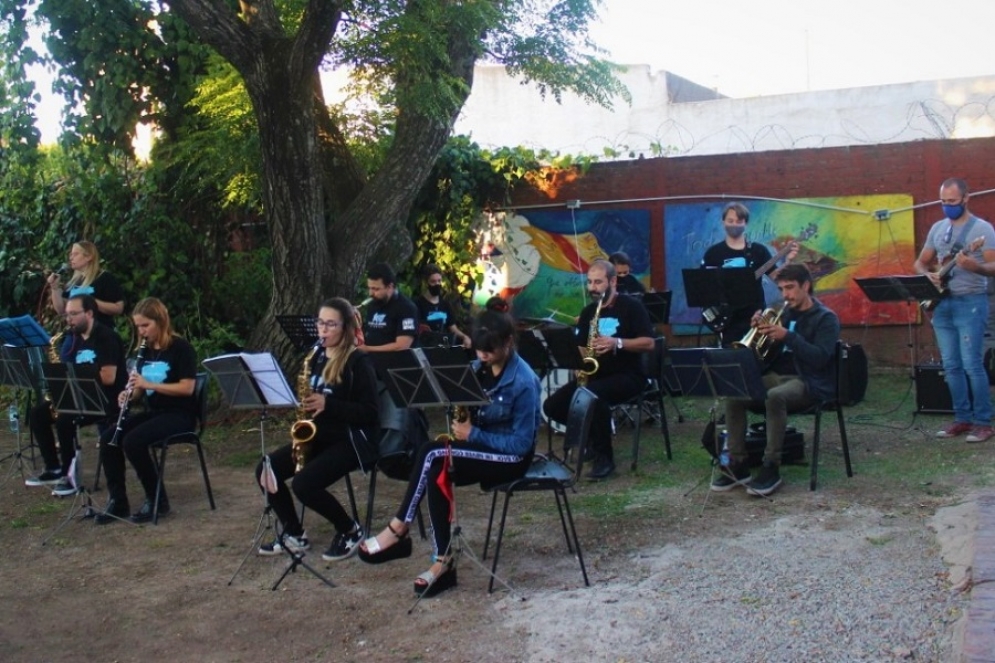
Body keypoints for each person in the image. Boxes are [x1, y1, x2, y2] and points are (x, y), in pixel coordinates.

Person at [357, 307, 541, 597]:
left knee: (432, 453)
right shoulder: (479, 368)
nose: (482, 357)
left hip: (512, 458)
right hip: (484, 448)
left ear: (508, 343)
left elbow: (522, 444)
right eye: (479, 351)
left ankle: (399, 528)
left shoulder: (524, 381)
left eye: (489, 352)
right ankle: (442, 562)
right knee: (435, 466)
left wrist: (473, 433)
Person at [254, 298, 380, 560]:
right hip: (319, 434)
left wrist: (329, 404)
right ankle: (294, 533)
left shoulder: (359, 362)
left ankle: (350, 530)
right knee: (267, 469)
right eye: (320, 322)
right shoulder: (317, 356)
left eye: (330, 324)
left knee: (304, 484)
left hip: (351, 439)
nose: (322, 329)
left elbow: (370, 413)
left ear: (344, 327)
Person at [711, 264, 840, 496]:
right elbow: (762, 355)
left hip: (808, 380)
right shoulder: (783, 312)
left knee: (775, 397)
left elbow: (820, 358)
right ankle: (738, 464)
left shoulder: (825, 318)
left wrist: (788, 337)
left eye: (790, 288)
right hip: (775, 375)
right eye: (781, 289)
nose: (785, 295)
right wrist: (759, 330)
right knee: (736, 392)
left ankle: (771, 466)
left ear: (806, 286)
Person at [542, 259, 654, 480]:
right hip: (595, 375)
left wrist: (617, 343)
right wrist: (578, 359)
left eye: (598, 282)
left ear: (613, 281)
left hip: (629, 375)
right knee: (552, 406)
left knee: (594, 396)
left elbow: (649, 343)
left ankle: (605, 460)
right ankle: (593, 438)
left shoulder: (632, 307)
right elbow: (582, 347)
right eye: (590, 282)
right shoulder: (588, 312)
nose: (593, 288)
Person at [95, 297, 198, 525]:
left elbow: (187, 387)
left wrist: (149, 384)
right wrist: (128, 394)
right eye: (138, 326)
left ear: (160, 321)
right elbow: (140, 391)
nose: (141, 331)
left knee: (133, 442)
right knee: (108, 438)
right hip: (155, 412)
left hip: (179, 414)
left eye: (145, 326)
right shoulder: (146, 351)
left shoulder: (180, 348)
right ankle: (118, 501)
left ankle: (157, 499)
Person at [914, 178, 995, 443]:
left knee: (972, 362)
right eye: (943, 202)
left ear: (965, 198)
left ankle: (983, 421)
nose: (947, 206)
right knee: (951, 364)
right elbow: (920, 263)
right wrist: (928, 277)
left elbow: (994, 266)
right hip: (942, 303)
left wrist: (977, 267)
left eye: (952, 201)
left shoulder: (982, 229)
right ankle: (962, 417)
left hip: (971, 300)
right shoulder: (938, 229)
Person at [25, 294, 126, 496]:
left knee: (65, 419)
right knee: (37, 414)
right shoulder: (74, 340)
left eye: (73, 314)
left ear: (89, 313)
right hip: (80, 396)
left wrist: (77, 377)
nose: (68, 319)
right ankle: (53, 467)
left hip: (106, 400)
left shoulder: (106, 337)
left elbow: (108, 377)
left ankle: (69, 476)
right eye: (67, 314)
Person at [701, 203, 796, 346]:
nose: (734, 225)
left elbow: (778, 279)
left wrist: (788, 262)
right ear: (723, 222)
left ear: (745, 223)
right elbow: (704, 287)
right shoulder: (713, 253)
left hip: (756, 318)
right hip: (728, 320)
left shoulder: (758, 251)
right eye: (730, 221)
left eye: (739, 221)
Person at [47, 241, 125, 335]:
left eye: (75, 254)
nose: (71, 258)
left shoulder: (104, 278)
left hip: (100, 332)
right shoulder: (73, 282)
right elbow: (61, 310)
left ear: (89, 257)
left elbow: (118, 308)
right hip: (76, 334)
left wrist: (90, 302)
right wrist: (54, 288)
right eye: (71, 254)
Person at [360, 263, 419, 353]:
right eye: (369, 288)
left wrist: (368, 349)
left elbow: (402, 346)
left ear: (390, 287)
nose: (371, 293)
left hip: (394, 363)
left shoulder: (406, 308)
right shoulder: (374, 303)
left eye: (376, 289)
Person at [414, 264, 471, 348]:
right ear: (426, 283)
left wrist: (464, 337)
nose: (437, 284)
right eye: (433, 281)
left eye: (439, 281)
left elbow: (453, 328)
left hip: (442, 346)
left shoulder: (445, 304)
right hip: (425, 346)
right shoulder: (418, 304)